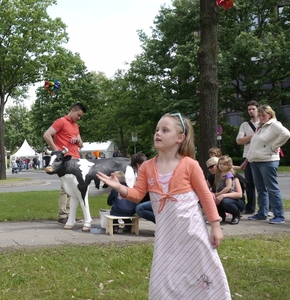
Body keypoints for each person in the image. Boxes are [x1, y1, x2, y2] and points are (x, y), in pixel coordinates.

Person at [97, 112, 230, 298]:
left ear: (180, 138)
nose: (158, 133)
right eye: (157, 129)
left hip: (192, 232)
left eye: (165, 130)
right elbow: (137, 195)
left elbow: (206, 196)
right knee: (166, 272)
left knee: (201, 267)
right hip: (166, 236)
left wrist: (215, 226)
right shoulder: (147, 167)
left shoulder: (190, 165)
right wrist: (120, 187)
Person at [43, 103, 87, 224]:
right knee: (65, 187)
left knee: (74, 188)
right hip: (65, 160)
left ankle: (70, 214)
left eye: (81, 116)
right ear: (72, 110)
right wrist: (56, 150)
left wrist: (78, 140)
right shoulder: (61, 121)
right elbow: (47, 135)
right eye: (78, 115)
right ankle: (62, 215)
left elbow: (81, 144)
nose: (79, 118)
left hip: (76, 159)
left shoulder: (75, 126)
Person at [247, 104, 290, 224]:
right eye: (259, 115)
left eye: (263, 115)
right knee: (261, 189)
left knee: (272, 188)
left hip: (268, 161)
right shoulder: (260, 127)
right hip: (255, 161)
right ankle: (262, 213)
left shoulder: (274, 125)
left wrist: (275, 146)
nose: (261, 117)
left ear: (270, 115)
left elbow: (286, 134)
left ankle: (279, 215)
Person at [236, 100, 260, 214]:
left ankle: (267, 208)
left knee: (263, 184)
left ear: (258, 109)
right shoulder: (245, 125)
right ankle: (250, 208)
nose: (251, 111)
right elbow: (239, 141)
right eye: (249, 109)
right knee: (249, 184)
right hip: (247, 157)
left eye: (253, 109)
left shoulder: (263, 123)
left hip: (261, 157)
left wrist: (247, 138)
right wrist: (253, 136)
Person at [212, 155, 244, 225]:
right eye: (220, 164)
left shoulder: (229, 175)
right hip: (221, 194)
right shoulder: (218, 175)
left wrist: (221, 195)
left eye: (224, 164)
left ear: (229, 165)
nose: (221, 166)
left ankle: (236, 214)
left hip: (233, 199)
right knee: (214, 199)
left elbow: (228, 187)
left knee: (224, 201)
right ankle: (221, 215)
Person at [130, 153, 154, 224]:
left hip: (160, 201)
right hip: (155, 201)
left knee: (139, 209)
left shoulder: (148, 174)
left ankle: (163, 224)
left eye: (134, 169)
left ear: (138, 166)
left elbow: (140, 194)